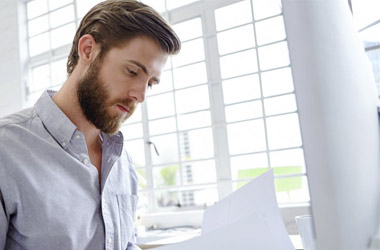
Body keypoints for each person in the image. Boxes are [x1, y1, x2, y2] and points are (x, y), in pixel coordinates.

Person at [0, 1, 180, 249]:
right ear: (88, 50)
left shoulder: (122, 164)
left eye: (150, 83)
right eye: (132, 72)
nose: (140, 95)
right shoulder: (5, 151)